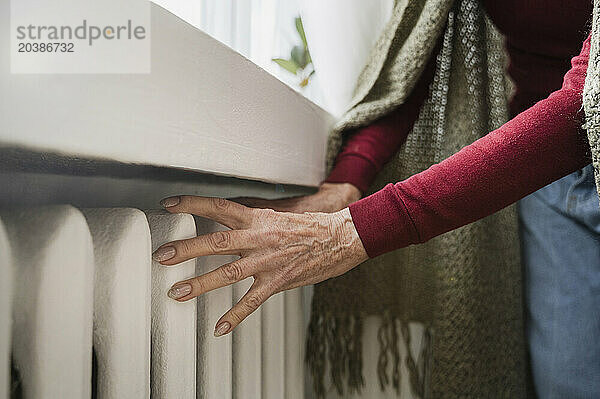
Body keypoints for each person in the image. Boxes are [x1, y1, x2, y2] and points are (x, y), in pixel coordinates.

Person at [152, 2, 599, 397]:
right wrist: (346, 183)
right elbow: (412, 66)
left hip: (561, 138)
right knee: (570, 381)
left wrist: (350, 233)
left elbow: (587, 103)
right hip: (550, 182)